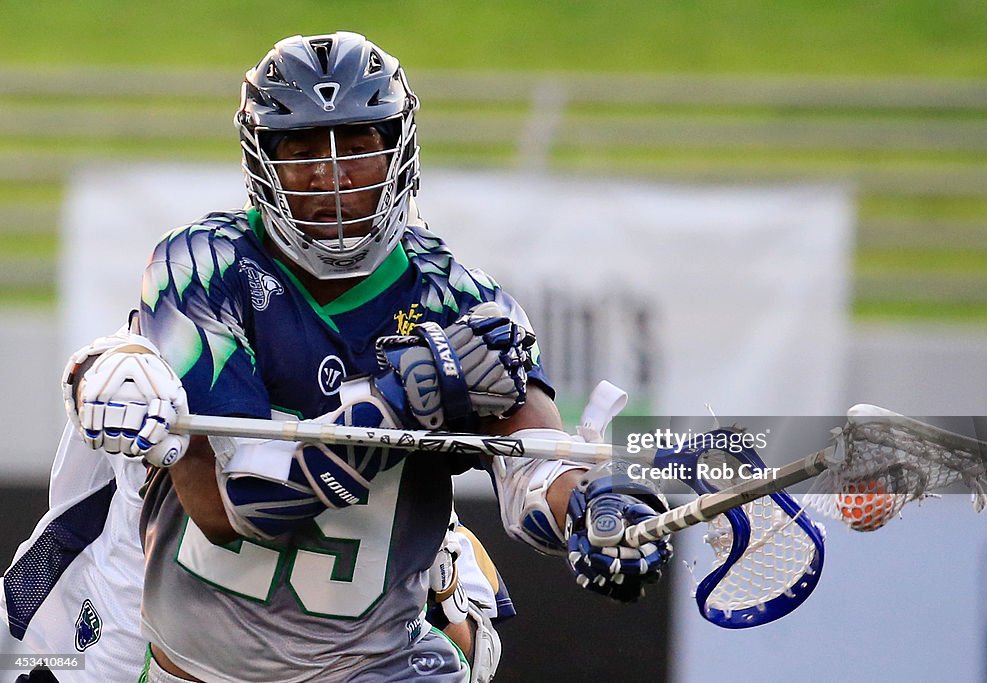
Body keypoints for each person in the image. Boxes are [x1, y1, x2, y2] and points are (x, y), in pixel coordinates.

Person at [62, 31, 672, 682]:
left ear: (398, 153)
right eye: (303, 153)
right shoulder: (203, 268)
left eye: (356, 146)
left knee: (472, 640)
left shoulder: (460, 301)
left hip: (379, 666)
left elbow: (537, 467)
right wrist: (398, 400)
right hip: (197, 667)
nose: (331, 178)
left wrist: (592, 507)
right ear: (262, 162)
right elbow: (233, 505)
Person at [1, 324, 512, 683]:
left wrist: (438, 581)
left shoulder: (422, 516)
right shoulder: (192, 356)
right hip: (78, 651)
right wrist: (110, 374)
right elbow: (110, 369)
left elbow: (470, 653)